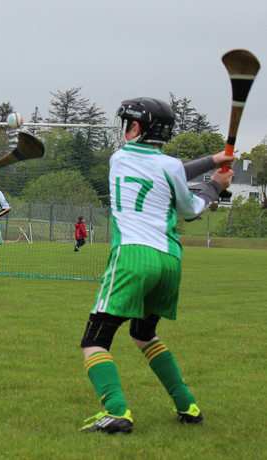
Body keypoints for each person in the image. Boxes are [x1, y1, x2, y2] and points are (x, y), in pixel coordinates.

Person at [79, 98, 235, 434]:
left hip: (132, 258)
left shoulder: (118, 158)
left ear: (135, 128)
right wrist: (215, 181)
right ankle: (187, 405)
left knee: (95, 339)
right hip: (169, 261)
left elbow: (162, 169)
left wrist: (211, 174)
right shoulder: (170, 166)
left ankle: (117, 411)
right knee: (143, 332)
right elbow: (190, 206)